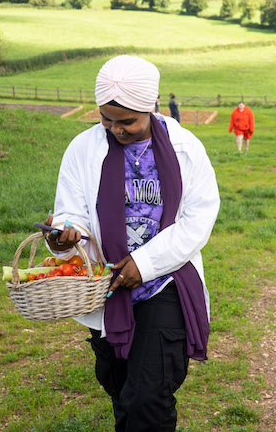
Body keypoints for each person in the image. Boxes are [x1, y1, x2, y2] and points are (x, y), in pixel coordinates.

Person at [40, 55, 220, 432]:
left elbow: (197, 219)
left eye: (127, 122)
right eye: (106, 119)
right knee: (121, 391)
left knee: (147, 398)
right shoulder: (82, 149)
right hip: (105, 287)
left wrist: (146, 264)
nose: (115, 130)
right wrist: (64, 232)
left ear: (151, 108)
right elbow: (71, 211)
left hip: (164, 282)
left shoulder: (185, 147)